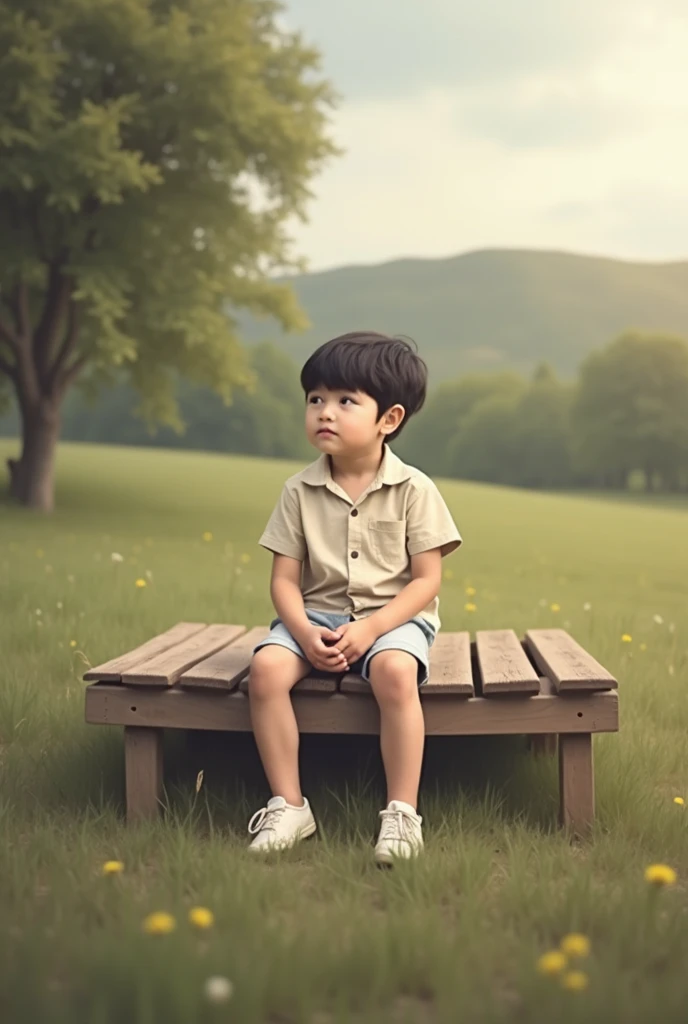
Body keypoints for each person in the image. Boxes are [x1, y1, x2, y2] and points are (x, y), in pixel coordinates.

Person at [246, 331, 462, 863]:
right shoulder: (298, 491)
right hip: (313, 615)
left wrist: (370, 629)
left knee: (393, 672)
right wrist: (300, 632)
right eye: (316, 398)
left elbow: (426, 581)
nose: (325, 412)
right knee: (266, 672)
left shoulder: (415, 489)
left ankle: (402, 813)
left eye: (346, 401)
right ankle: (290, 805)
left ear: (388, 419)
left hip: (393, 619)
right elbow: (282, 582)